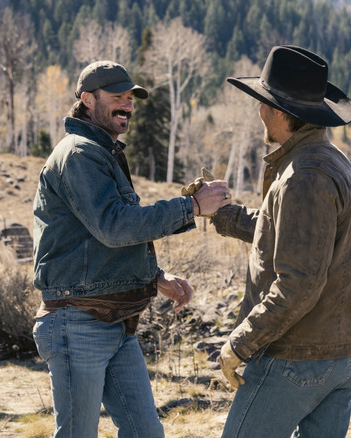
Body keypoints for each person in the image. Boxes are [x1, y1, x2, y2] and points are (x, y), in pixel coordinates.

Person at [31, 60, 231, 438]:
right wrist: (191, 207)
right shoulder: (79, 155)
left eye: (130, 97)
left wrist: (154, 279)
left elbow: (95, 240)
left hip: (114, 322)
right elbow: (114, 226)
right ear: (88, 99)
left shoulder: (100, 151)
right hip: (76, 323)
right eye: (117, 97)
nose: (128, 105)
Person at [212, 45, 351, 438]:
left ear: (281, 112)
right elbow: (287, 235)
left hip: (299, 357)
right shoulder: (328, 159)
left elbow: (299, 283)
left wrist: (240, 344)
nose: (259, 112)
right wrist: (222, 216)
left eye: (263, 103)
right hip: (342, 353)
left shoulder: (304, 176)